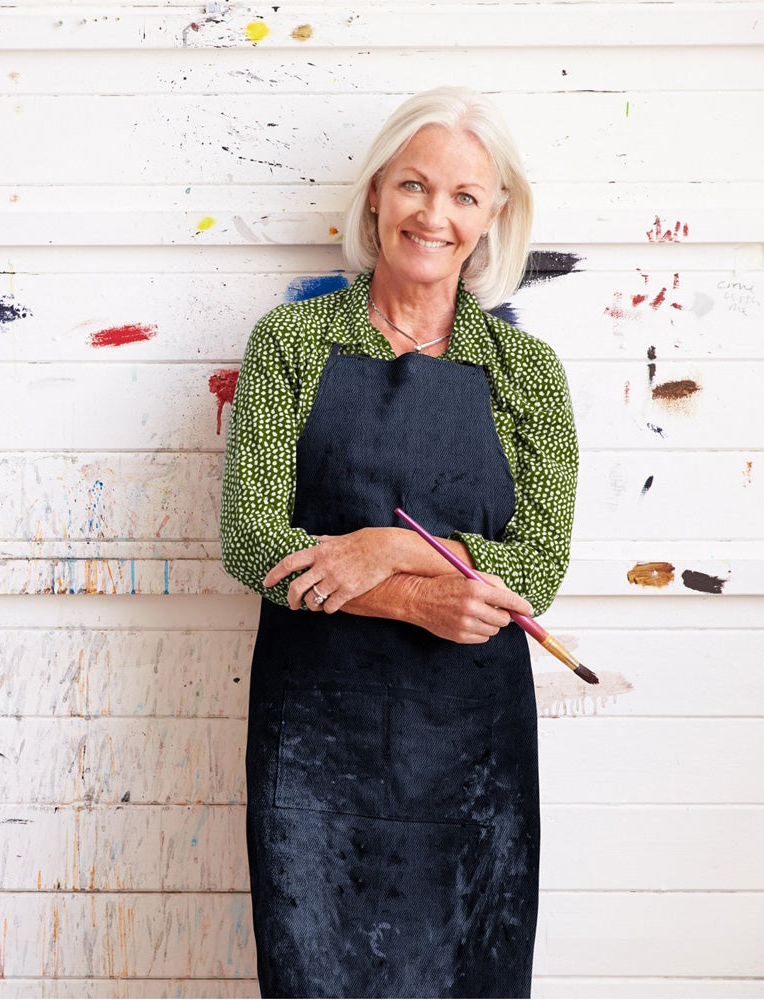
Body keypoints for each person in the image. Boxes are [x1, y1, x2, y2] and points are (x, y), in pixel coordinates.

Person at [220, 86, 578, 999]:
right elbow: (253, 538)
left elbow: (537, 562)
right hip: (316, 744)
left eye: (465, 196)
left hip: (472, 753)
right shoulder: (293, 343)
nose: (435, 214)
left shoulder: (526, 373)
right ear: (378, 193)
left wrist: (384, 547)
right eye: (416, 186)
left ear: (494, 217)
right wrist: (418, 592)